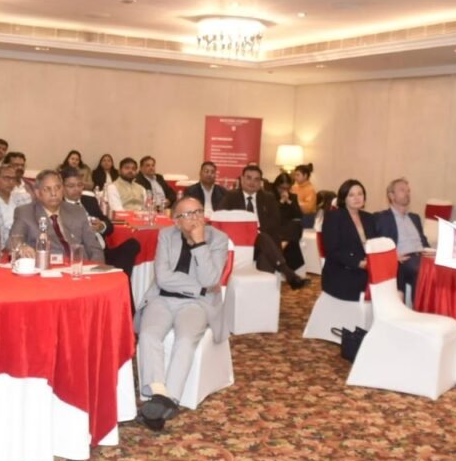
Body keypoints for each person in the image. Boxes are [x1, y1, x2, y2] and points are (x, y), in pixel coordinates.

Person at [135, 195, 228, 431]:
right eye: (187, 215)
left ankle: (169, 399)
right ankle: (158, 393)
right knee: (148, 335)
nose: (195, 218)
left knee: (185, 339)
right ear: (176, 221)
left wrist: (199, 244)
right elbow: (164, 278)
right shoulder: (166, 235)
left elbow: (211, 279)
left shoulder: (218, 239)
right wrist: (197, 286)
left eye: (198, 212)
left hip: (197, 304)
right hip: (162, 299)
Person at [222, 165, 309, 290]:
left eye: (256, 179)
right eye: (249, 178)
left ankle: (263, 296)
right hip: (238, 242)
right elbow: (221, 218)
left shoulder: (268, 197)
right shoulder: (231, 197)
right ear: (242, 179)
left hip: (262, 242)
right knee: (265, 244)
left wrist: (258, 233)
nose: (252, 182)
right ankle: (288, 274)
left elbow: (275, 224)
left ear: (260, 182)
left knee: (265, 251)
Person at [60, 167, 140, 287]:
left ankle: (121, 283)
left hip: (104, 251)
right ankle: (118, 284)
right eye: (71, 186)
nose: (76, 189)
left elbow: (108, 224)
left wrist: (101, 225)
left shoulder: (89, 200)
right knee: (120, 279)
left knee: (133, 244)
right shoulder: (60, 207)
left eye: (79, 185)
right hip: (86, 255)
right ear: (62, 187)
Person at [8, 170, 104, 261]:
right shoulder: (25, 212)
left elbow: (94, 247)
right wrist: (22, 247)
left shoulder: (77, 211)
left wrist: (97, 269)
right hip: (48, 268)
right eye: (47, 189)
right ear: (38, 193)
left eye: (57, 188)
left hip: (80, 267)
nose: (54, 193)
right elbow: (13, 241)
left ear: (62, 189)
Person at [372, 177, 429, 304]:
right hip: (403, 260)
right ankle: (420, 311)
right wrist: (392, 256)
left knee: (444, 271)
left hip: (422, 256)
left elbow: (424, 242)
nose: (407, 193)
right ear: (391, 196)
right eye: (402, 190)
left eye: (408, 191)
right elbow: (376, 243)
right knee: (421, 271)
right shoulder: (381, 218)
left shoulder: (415, 218)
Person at [321, 179, 379, 301]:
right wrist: (359, 263)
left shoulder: (369, 218)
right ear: (343, 198)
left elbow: (374, 244)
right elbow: (332, 251)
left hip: (367, 268)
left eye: (360, 194)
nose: (357, 198)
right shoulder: (334, 217)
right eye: (351, 195)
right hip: (342, 270)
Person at [272, 172, 304, 272]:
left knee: (296, 225)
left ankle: (282, 246)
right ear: (277, 186)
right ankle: (290, 269)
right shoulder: (270, 195)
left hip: (289, 225)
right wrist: (281, 201)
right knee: (293, 239)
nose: (284, 191)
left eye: (287, 188)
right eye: (282, 188)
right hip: (275, 224)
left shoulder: (293, 197)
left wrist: (289, 202)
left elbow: (299, 215)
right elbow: (272, 214)